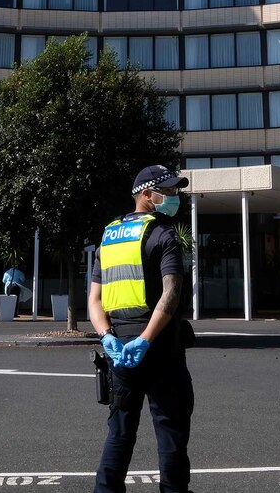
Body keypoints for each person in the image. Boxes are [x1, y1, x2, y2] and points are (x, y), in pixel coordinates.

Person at [89, 164, 194, 493]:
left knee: (120, 431)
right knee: (171, 431)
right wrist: (147, 340)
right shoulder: (164, 233)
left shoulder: (109, 236)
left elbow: (93, 299)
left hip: (120, 350)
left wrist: (107, 337)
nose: (175, 196)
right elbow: (171, 293)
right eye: (169, 190)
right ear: (147, 195)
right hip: (160, 350)